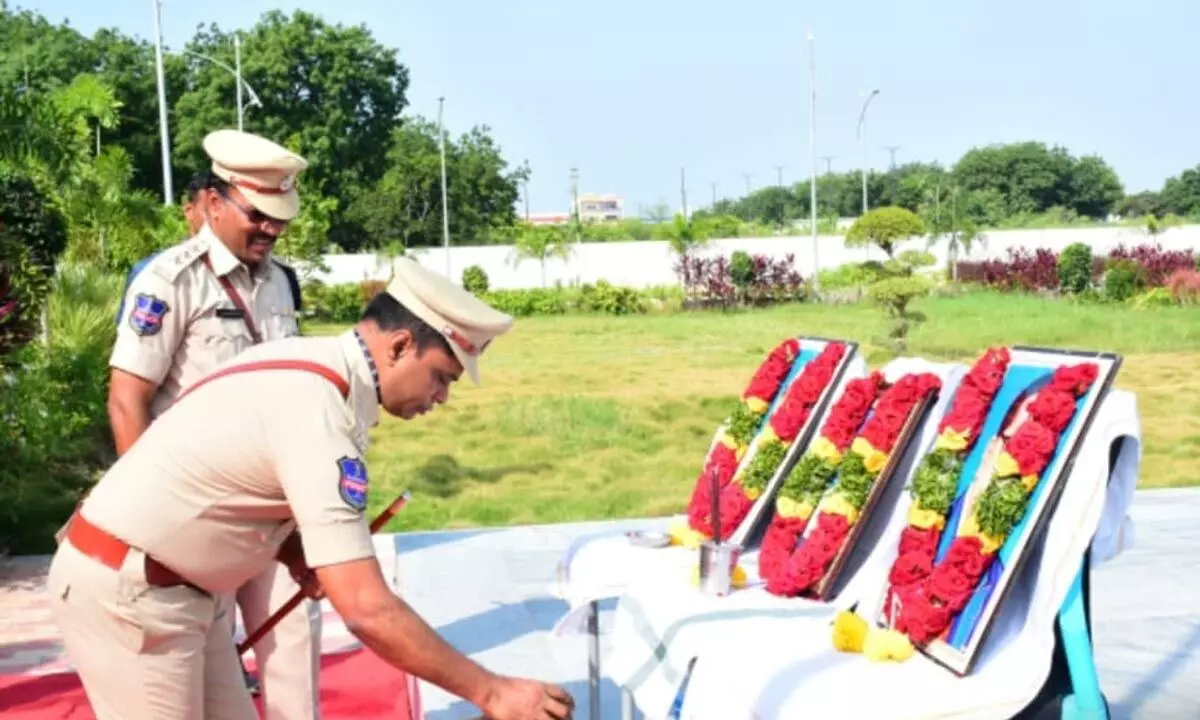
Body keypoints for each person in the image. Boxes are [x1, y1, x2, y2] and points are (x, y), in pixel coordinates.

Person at [47, 256, 576, 720]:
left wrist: (291, 548)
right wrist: (494, 692)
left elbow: (229, 474)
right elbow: (366, 609)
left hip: (179, 590)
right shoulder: (320, 411)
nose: (441, 397)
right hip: (131, 594)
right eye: (442, 377)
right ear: (400, 345)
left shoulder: (315, 369)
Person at [102, 129, 321, 719]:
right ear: (216, 203)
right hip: (199, 512)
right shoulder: (170, 281)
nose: (272, 228)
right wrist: (149, 518)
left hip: (275, 507)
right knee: (203, 670)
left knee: (295, 650)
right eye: (259, 214)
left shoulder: (280, 281)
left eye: (281, 216)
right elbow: (128, 399)